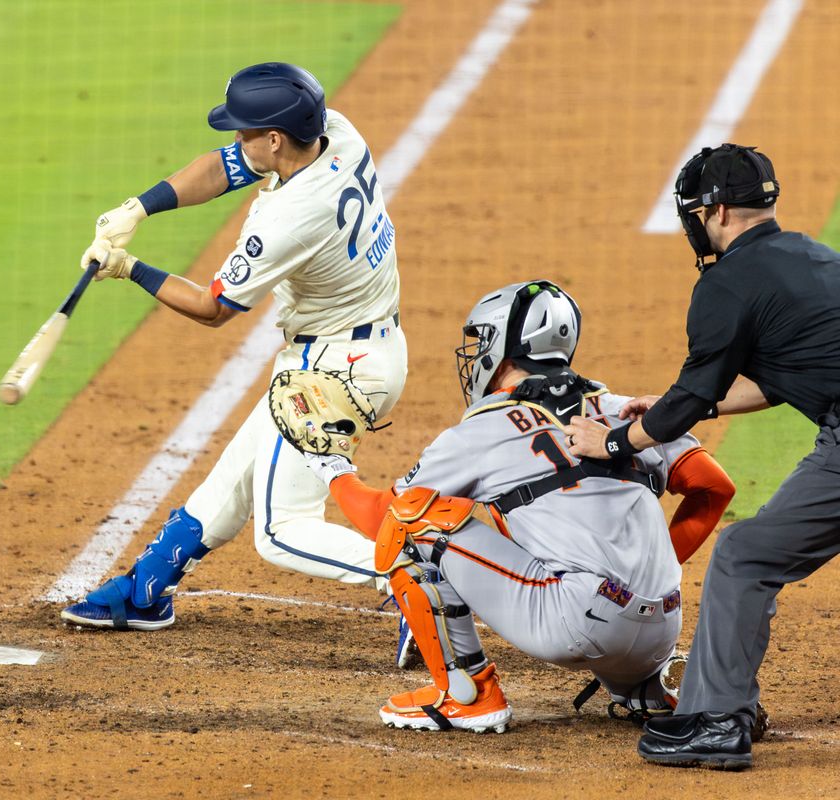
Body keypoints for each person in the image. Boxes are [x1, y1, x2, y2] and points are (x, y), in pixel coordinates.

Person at [60, 63, 408, 630]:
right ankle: (147, 591)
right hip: (360, 351)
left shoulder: (290, 219)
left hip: (331, 374)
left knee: (281, 533)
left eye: (245, 131)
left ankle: (414, 578)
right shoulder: (335, 132)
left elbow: (212, 308)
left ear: (275, 138)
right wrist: (138, 208)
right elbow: (226, 169)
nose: (235, 140)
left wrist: (128, 268)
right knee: (235, 476)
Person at [304, 280, 736, 732]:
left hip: (575, 626)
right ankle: (646, 689)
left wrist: (332, 468)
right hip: (660, 627)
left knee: (414, 522)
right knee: (514, 514)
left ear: (502, 349)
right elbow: (713, 488)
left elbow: (383, 519)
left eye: (480, 341)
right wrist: (650, 569)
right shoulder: (627, 411)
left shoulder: (480, 431)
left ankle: (466, 695)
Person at [568, 143, 840, 770]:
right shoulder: (811, 258)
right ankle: (722, 709)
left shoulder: (726, 283)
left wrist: (613, 442)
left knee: (746, 557)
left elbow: (690, 398)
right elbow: (782, 373)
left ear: (714, 210)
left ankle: (718, 722)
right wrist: (682, 403)